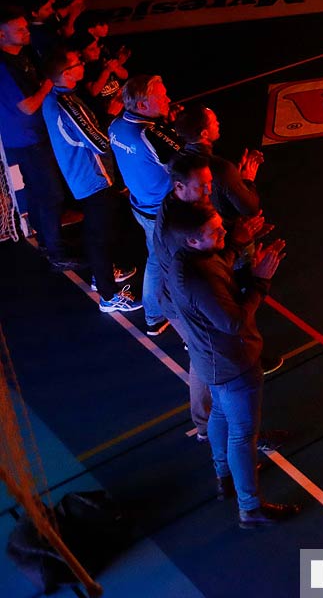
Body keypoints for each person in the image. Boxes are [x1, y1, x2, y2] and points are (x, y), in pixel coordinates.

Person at [160, 198, 299, 528]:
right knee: (243, 434)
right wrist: (261, 279)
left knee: (221, 413)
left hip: (210, 360)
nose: (224, 230)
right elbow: (233, 322)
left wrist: (235, 244)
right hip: (233, 362)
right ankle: (249, 508)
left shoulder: (187, 259)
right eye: (215, 231)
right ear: (194, 239)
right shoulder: (201, 279)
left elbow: (219, 261)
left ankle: (224, 474)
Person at [42, 50, 141, 312]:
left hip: (85, 177)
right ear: (65, 74)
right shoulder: (67, 104)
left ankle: (104, 273)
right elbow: (97, 141)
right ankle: (108, 295)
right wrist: (112, 115)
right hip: (92, 177)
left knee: (101, 231)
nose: (82, 65)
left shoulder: (58, 98)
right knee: (99, 236)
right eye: (77, 63)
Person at [0, 7, 76, 268]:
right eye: (19, 29)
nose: (26, 32)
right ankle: (56, 251)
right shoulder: (4, 66)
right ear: (1, 35)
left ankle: (47, 241)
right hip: (27, 140)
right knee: (50, 195)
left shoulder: (22, 56)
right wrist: (49, 82)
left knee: (37, 192)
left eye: (25, 27)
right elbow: (28, 106)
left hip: (32, 137)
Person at [109, 74, 184, 334]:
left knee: (155, 256)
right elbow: (186, 163)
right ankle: (154, 314)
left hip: (140, 204)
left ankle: (156, 312)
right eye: (161, 97)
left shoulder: (115, 126)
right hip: (160, 211)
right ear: (142, 105)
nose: (168, 99)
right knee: (163, 262)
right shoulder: (149, 134)